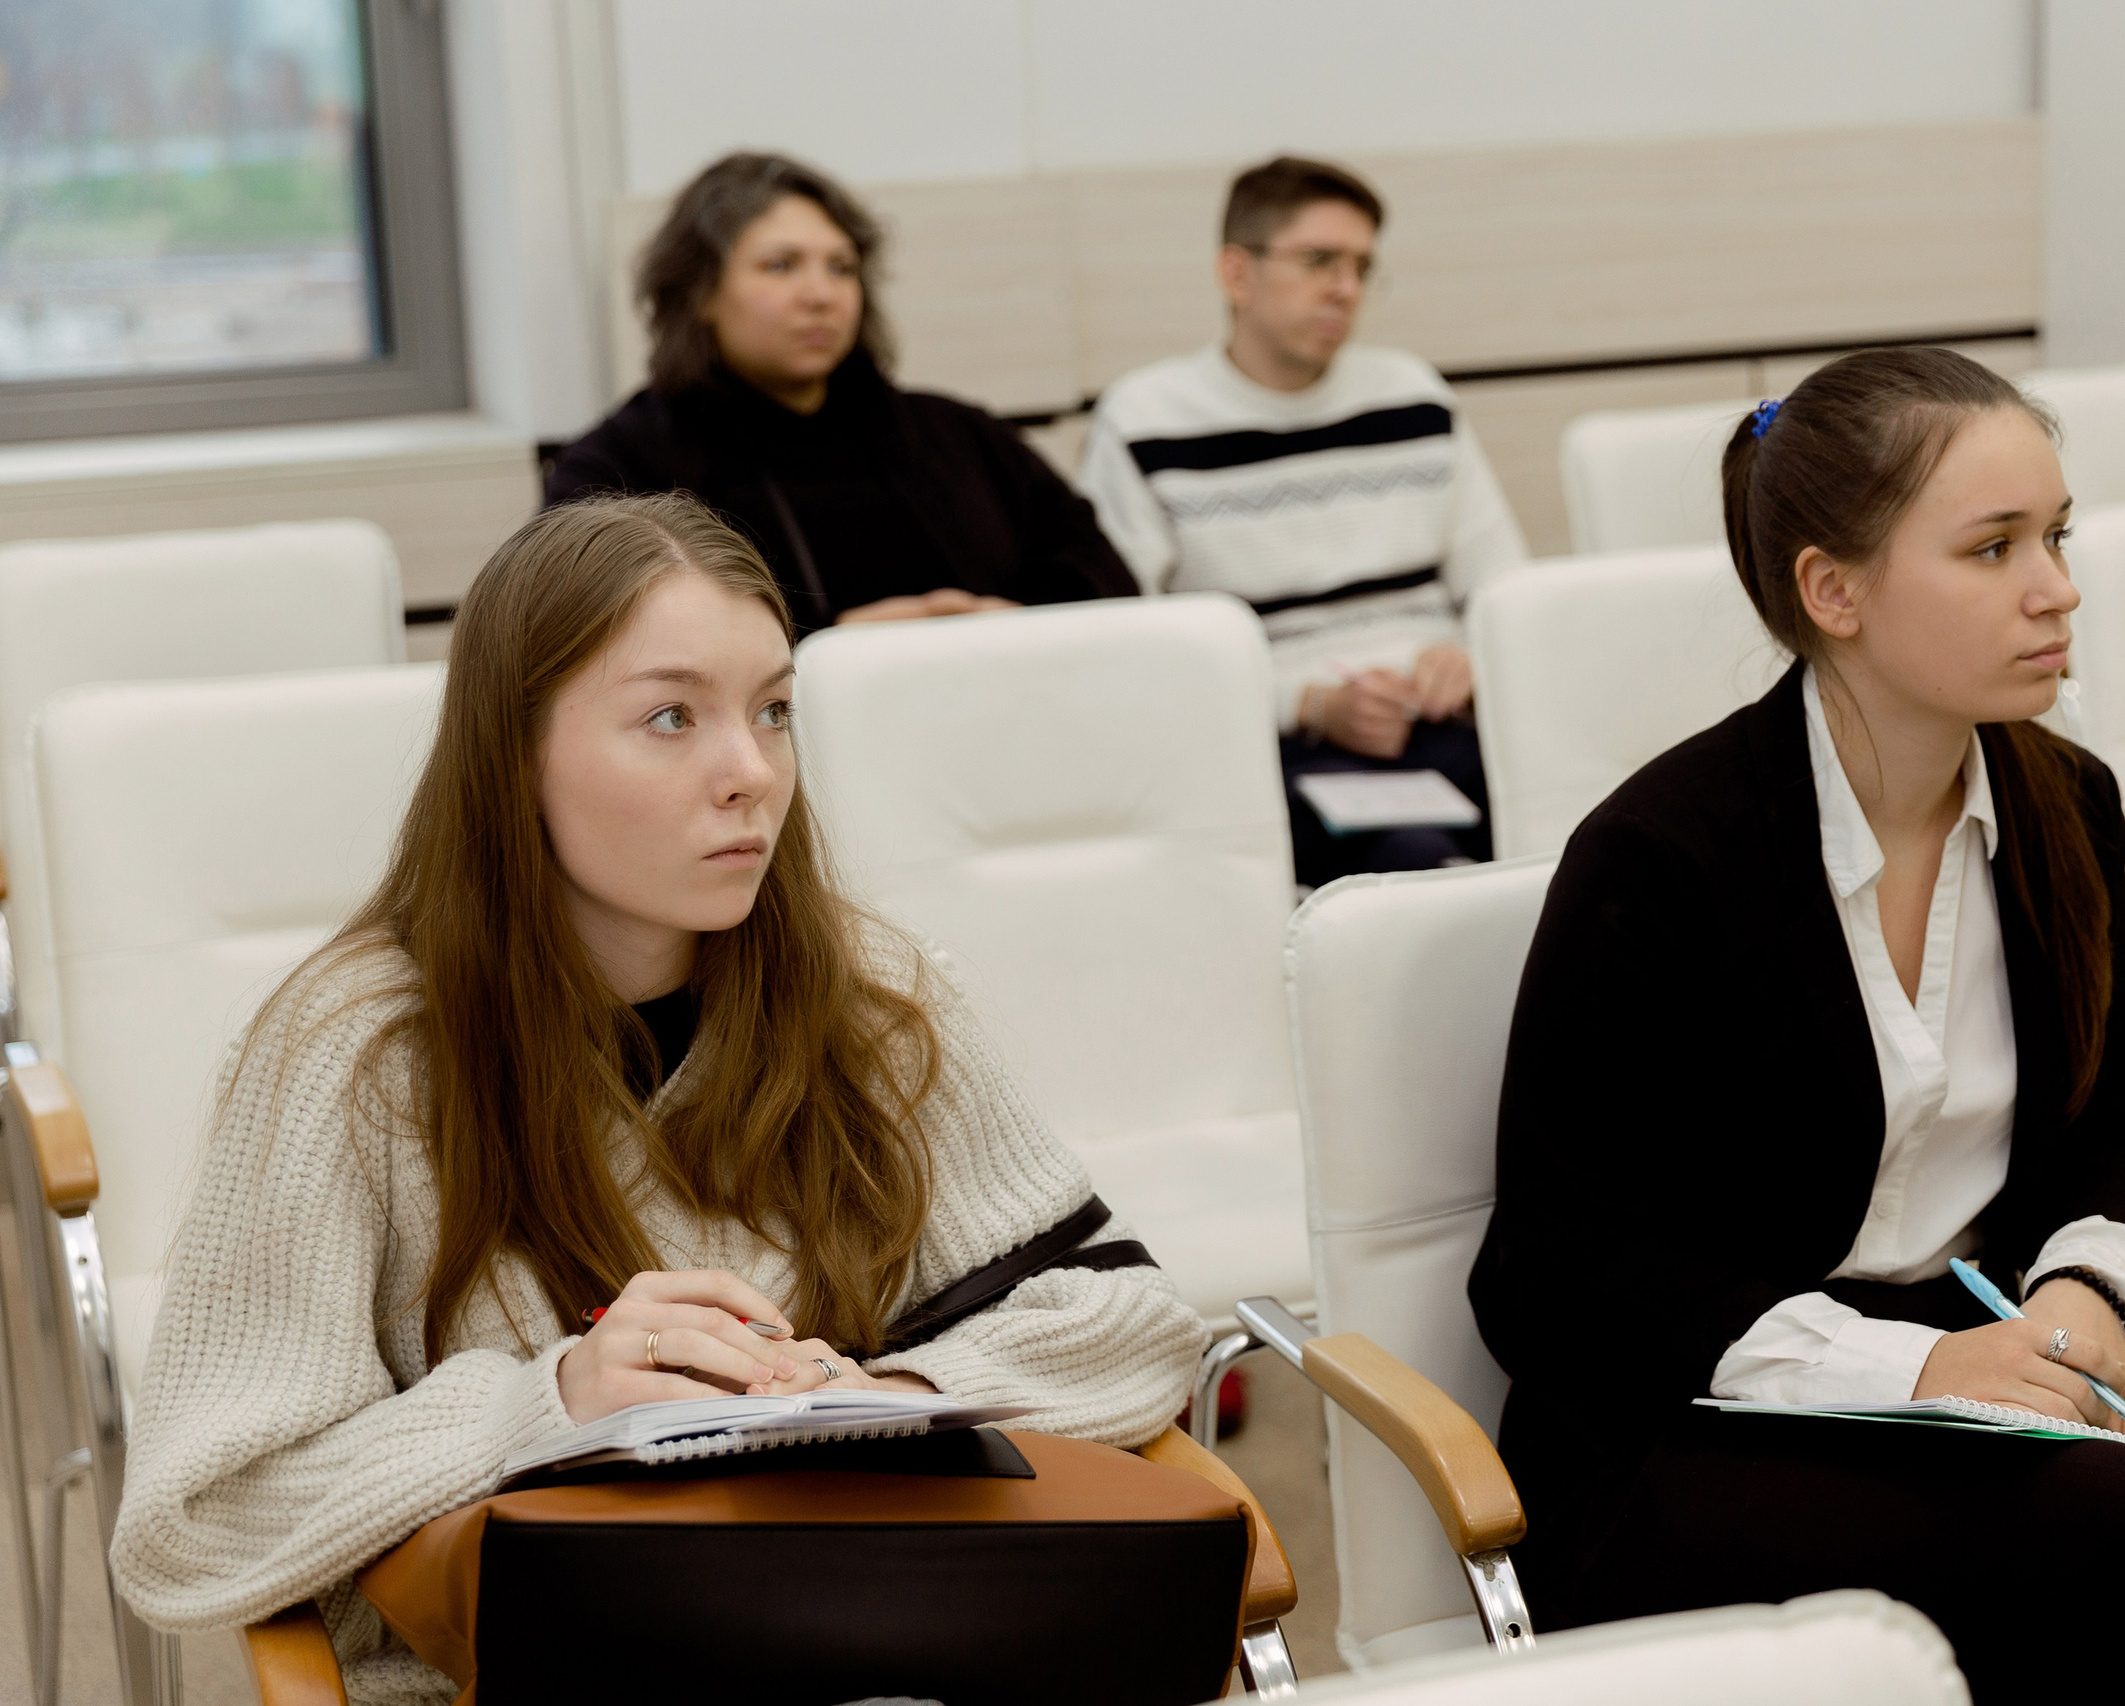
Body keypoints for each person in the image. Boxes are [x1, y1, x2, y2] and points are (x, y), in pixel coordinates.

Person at [109, 494, 1203, 1702]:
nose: (751, 774)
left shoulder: (868, 996)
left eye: (773, 710)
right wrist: (547, 1403)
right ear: (515, 755)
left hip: (882, 1642)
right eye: (671, 717)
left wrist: (881, 1395)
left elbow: (1131, 1318)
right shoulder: (352, 1055)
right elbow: (197, 1523)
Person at [1467, 349, 2125, 1704]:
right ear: (1834, 591)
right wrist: (1915, 1365)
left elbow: (2103, 1132)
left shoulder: (2065, 803)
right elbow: (1553, 1276)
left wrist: (2084, 1289)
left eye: (2057, 536)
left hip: (1969, 1396)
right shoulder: (1660, 856)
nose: (2057, 587)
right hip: (1680, 1441)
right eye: (1993, 548)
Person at [1080, 156, 1528, 887]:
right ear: (1236, 273)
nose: (1346, 288)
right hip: (1281, 743)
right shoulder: (1145, 419)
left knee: (1601, 822)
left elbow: (1507, 589)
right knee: (1412, 862)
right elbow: (1133, 652)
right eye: (1319, 261)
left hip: (1446, 723)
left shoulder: (1412, 394)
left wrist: (1470, 654)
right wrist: (1309, 706)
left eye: (1361, 267)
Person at [547, 153, 1135, 637]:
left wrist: (1009, 623)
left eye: (841, 267)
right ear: (699, 292)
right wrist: (828, 650)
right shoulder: (618, 471)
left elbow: (1104, 581)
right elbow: (594, 650)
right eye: (781, 266)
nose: (821, 294)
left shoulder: (959, 434)